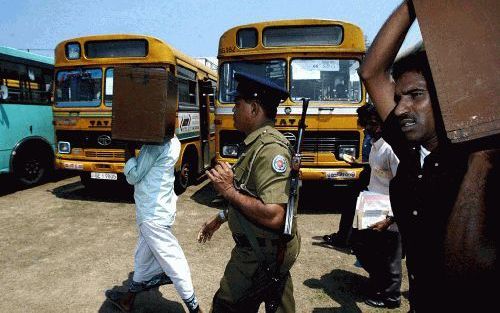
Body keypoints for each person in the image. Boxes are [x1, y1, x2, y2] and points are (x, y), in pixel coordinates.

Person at [358, 1, 498, 311]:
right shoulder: (409, 151)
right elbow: (371, 71)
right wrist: (414, 4)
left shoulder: (474, 158)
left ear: (444, 101)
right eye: (398, 98)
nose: (402, 107)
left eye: (416, 95)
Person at [197, 72, 300, 313]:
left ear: (253, 109)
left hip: (259, 255)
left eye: (237, 104)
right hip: (269, 253)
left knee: (225, 306)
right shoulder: (255, 145)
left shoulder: (269, 150)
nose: (232, 110)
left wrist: (228, 191)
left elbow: (276, 216)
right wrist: (220, 218)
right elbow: (250, 193)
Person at [105, 136, 202, 313]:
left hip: (152, 215)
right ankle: (127, 300)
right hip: (161, 210)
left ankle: (195, 308)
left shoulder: (154, 146)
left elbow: (133, 176)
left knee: (174, 261)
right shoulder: (174, 141)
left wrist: (128, 150)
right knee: (142, 257)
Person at [349, 103, 402, 309]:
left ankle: (391, 297)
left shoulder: (391, 149)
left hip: (389, 210)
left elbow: (404, 185)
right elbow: (377, 169)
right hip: (371, 206)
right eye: (367, 124)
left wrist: (390, 218)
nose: (370, 128)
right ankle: (378, 283)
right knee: (363, 246)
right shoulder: (374, 145)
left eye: (374, 124)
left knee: (390, 256)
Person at [321, 104, 373, 248]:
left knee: (356, 205)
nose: (357, 120)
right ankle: (346, 238)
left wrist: (360, 164)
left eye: (360, 117)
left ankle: (347, 239)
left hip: (372, 176)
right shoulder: (368, 134)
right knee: (351, 203)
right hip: (367, 172)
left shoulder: (375, 135)